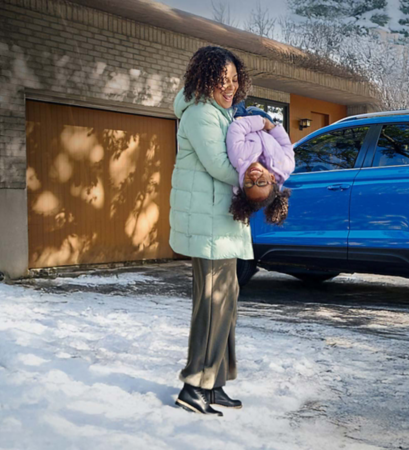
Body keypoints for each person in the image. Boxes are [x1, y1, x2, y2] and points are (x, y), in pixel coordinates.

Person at [169, 46, 251, 416]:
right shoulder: (201, 113)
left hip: (221, 223)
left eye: (234, 79)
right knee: (213, 304)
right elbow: (220, 165)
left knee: (226, 303)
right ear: (205, 80)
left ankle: (214, 384)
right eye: (222, 80)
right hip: (208, 226)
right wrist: (257, 176)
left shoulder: (222, 113)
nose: (229, 86)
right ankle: (193, 386)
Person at [225, 113, 294, 225]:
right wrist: (272, 127)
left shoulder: (239, 157)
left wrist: (261, 123)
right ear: (272, 178)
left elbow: (237, 128)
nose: (254, 178)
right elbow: (286, 145)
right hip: (270, 127)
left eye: (249, 184)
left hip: (246, 119)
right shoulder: (286, 166)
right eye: (261, 182)